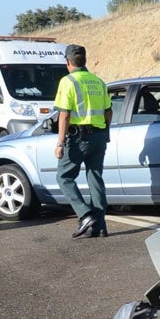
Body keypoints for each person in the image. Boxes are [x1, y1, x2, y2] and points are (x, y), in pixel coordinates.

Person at [54, 44, 111, 238]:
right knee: (95, 178)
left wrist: (60, 143)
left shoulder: (68, 81)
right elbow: (108, 111)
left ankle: (85, 214)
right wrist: (105, 133)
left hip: (79, 138)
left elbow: (64, 115)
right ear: (84, 60)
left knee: (63, 177)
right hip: (99, 136)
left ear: (67, 62)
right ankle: (100, 226)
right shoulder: (98, 81)